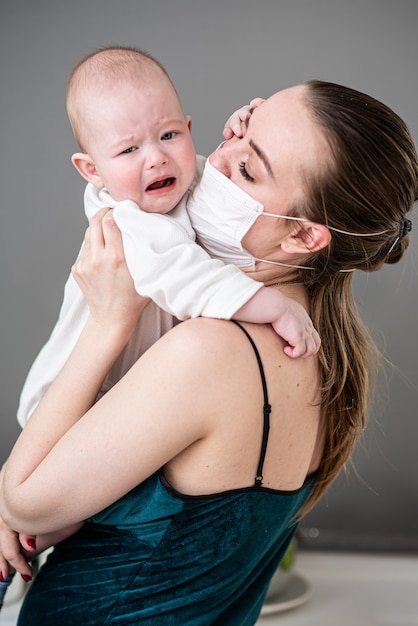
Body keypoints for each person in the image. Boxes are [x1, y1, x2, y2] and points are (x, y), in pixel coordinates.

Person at [0, 79, 416, 625]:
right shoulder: (330, 358)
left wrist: (108, 321)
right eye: (240, 126)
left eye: (247, 169)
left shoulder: (210, 351)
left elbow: (24, 500)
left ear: (304, 237)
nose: (214, 159)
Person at [16, 48, 319, 433]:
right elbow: (184, 274)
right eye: (129, 149)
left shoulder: (170, 189)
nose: (156, 158)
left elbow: (217, 177)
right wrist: (273, 307)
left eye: (169, 134)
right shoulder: (129, 222)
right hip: (69, 400)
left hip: (123, 391)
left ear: (189, 130)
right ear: (92, 170)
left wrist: (245, 129)